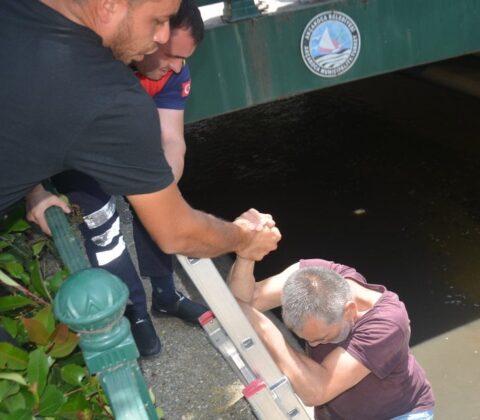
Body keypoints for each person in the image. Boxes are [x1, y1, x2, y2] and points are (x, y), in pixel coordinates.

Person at [0, 1, 280, 262]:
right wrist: (243, 237)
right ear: (110, 5)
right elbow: (176, 232)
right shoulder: (110, 97)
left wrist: (33, 188)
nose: (162, 36)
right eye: (158, 20)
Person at [25, 0, 209, 357]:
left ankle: (166, 295)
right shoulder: (90, 65)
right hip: (77, 153)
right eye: (171, 55)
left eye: (184, 59)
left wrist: (161, 189)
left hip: (126, 144)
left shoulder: (173, 74)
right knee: (103, 228)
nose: (177, 67)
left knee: (158, 204)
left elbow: (171, 139)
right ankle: (133, 311)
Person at [228, 258, 436, 419]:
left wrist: (266, 329)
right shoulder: (311, 277)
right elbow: (241, 302)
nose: (313, 345)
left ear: (350, 311)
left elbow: (317, 392)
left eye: (323, 338)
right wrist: (247, 256)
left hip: (397, 414)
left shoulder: (388, 324)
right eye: (306, 339)